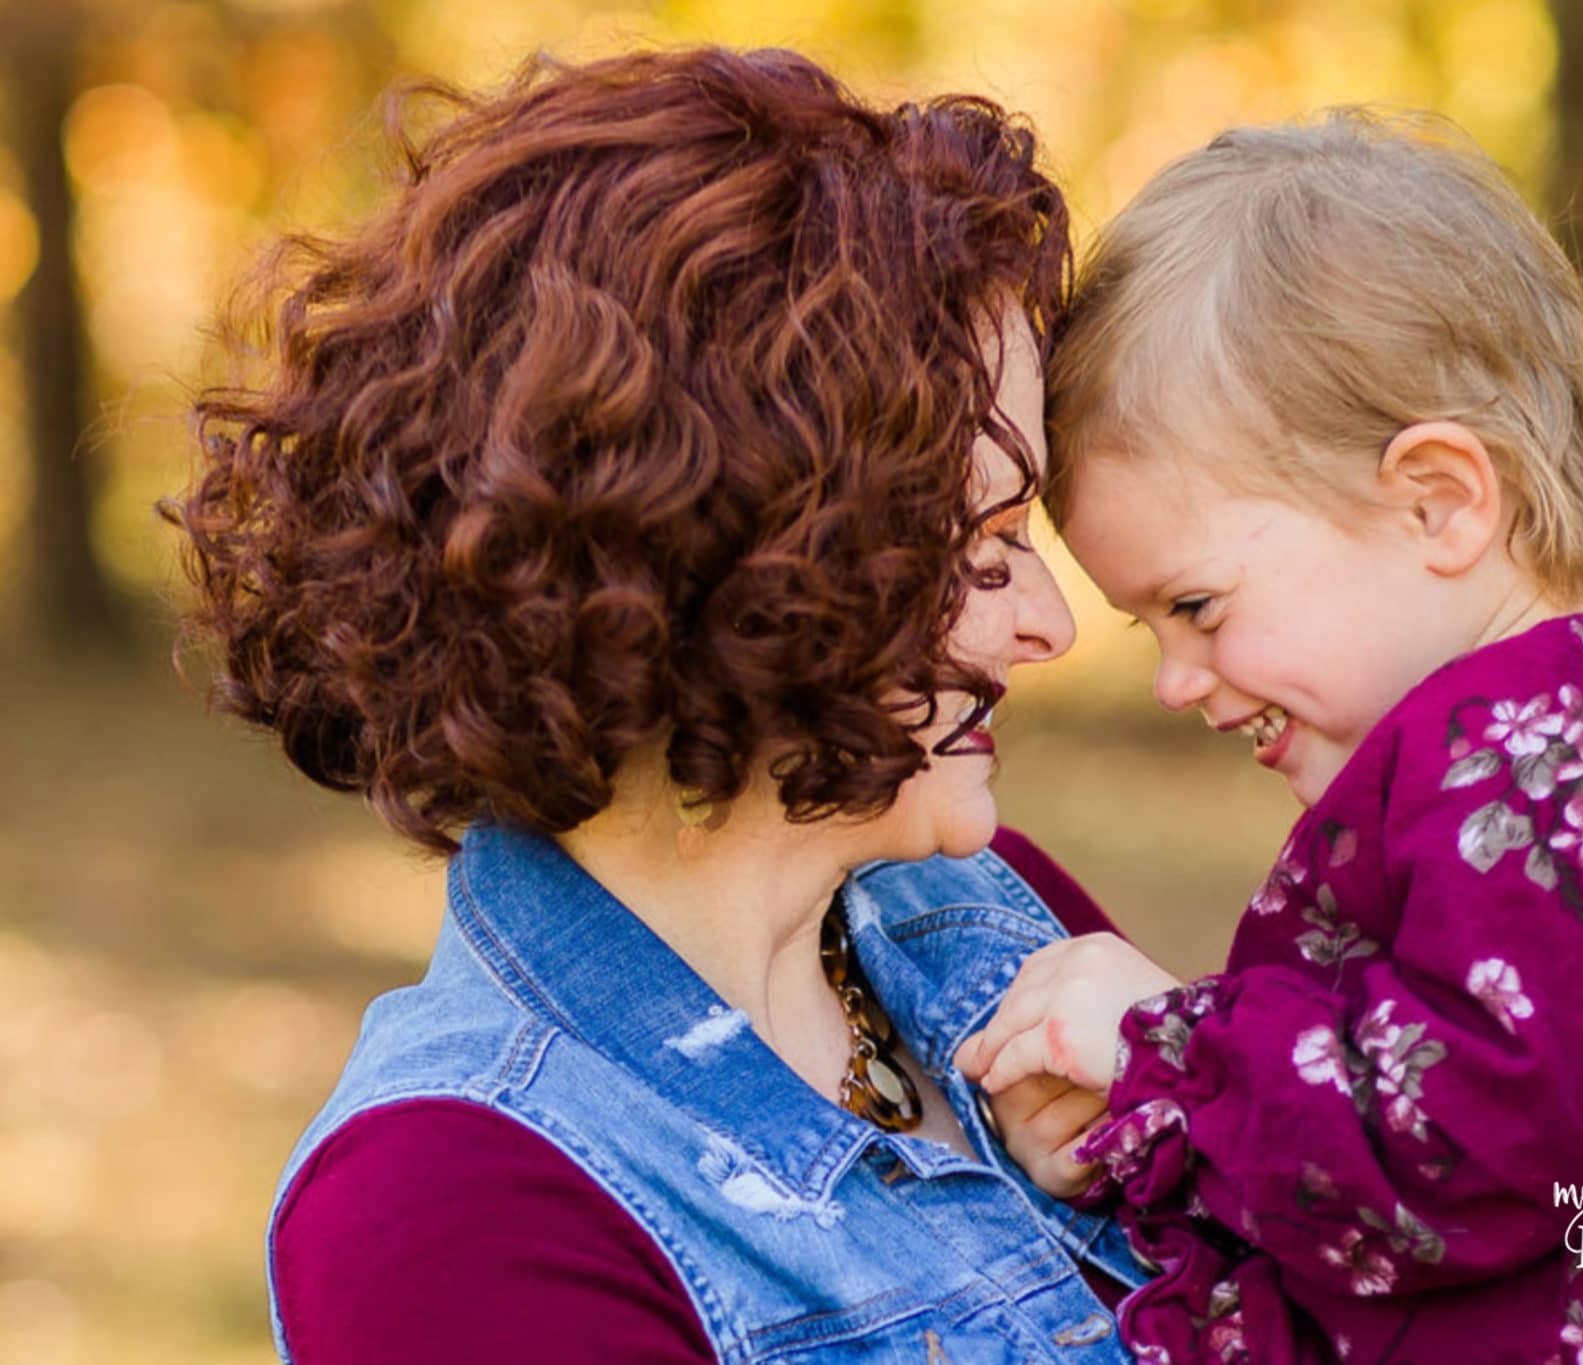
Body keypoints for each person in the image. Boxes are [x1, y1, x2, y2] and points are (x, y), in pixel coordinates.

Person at [161, 46, 1148, 1362]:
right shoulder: (448, 1208)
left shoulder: (995, 923)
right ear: (731, 565)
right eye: (984, 545)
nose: (1052, 623)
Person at [957, 109, 1583, 1364]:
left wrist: (1165, 1049)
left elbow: (1472, 1144)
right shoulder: (1498, 746)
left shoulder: (1571, 756)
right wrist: (1148, 1137)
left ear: (1437, 502)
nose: (1171, 682)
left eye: (1192, 608)